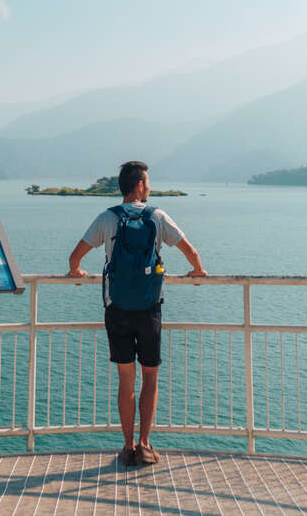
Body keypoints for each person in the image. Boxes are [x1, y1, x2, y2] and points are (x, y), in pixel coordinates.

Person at [66, 160, 207, 466]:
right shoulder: (157, 216)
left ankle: (127, 446)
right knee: (150, 377)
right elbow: (191, 252)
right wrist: (197, 271)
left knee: (125, 379)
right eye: (148, 182)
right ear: (141, 186)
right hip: (149, 309)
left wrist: (76, 270)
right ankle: (145, 444)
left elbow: (75, 256)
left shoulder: (107, 218)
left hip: (117, 309)